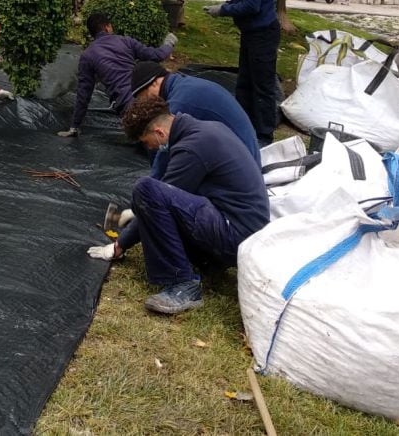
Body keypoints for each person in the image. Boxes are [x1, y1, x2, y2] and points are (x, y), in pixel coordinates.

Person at [87, 98, 269, 315]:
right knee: (157, 196)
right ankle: (206, 261)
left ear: (159, 132)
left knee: (146, 189)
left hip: (236, 235)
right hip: (245, 229)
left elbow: (156, 196)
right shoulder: (206, 129)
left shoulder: (192, 149)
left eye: (147, 142)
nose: (150, 148)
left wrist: (120, 245)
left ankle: (182, 284)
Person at [202, 0, 280, 147]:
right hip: (252, 33)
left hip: (262, 34)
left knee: (262, 85)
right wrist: (228, 5)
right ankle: (244, 125)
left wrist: (223, 10)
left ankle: (264, 135)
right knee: (245, 83)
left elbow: (251, 5)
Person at [56, 13, 177, 137]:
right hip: (151, 99)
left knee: (150, 139)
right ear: (108, 27)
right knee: (169, 130)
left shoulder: (87, 55)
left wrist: (74, 126)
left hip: (128, 109)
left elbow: (84, 94)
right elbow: (157, 55)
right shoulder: (125, 41)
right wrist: (169, 43)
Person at [129, 61, 261, 171]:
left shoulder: (179, 102)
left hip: (244, 168)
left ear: (154, 83)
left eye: (144, 96)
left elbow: (163, 154)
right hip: (244, 156)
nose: (147, 102)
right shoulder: (184, 85)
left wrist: (153, 187)